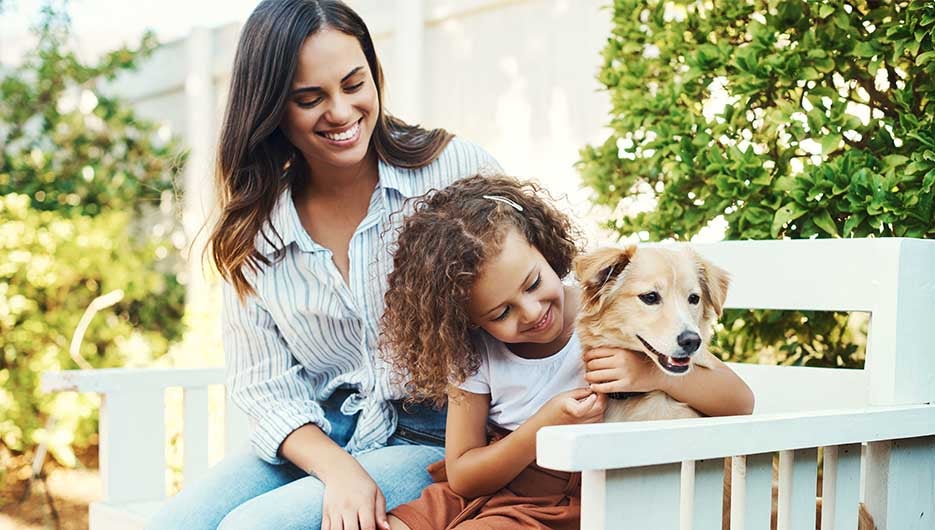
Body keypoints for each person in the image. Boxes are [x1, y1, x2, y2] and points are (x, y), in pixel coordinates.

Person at [146, 1, 501, 529]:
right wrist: (341, 471)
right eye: (310, 99)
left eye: (354, 84)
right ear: (271, 111)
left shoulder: (453, 170)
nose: (341, 112)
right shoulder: (257, 227)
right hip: (324, 435)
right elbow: (264, 387)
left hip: (442, 435)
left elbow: (538, 289)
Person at [378, 175, 755, 530]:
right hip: (493, 478)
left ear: (544, 249)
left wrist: (648, 374)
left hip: (560, 495)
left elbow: (739, 400)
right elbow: (463, 476)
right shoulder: (473, 354)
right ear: (467, 320)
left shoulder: (606, 315)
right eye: (501, 312)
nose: (532, 312)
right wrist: (545, 422)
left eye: (533, 283)